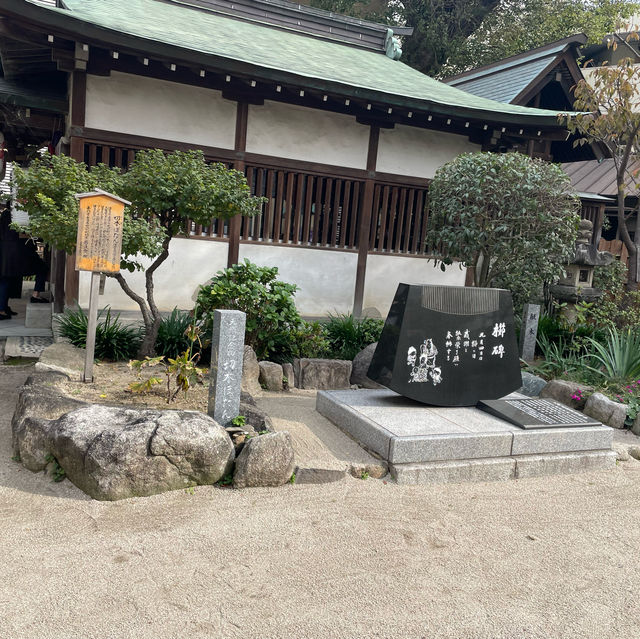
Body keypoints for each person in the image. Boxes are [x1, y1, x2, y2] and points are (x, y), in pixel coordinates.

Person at [0, 203, 49, 320]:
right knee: (42, 268)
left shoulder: (6, 213)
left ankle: (3, 308)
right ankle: (35, 295)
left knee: (6, 279)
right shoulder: (21, 212)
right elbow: (27, 233)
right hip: (19, 250)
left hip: (4, 251)